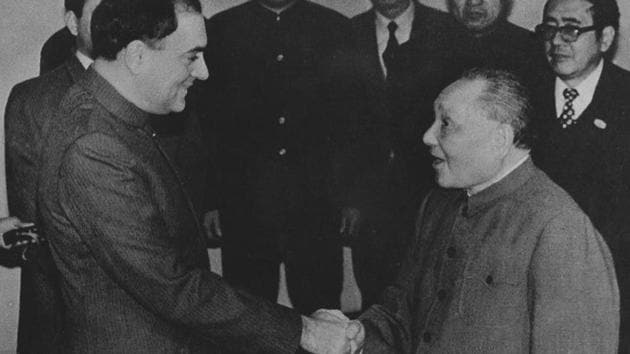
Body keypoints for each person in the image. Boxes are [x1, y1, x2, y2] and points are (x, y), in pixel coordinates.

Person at [37, 0, 358, 351]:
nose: (203, 72)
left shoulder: (119, 120)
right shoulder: (95, 147)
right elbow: (171, 285)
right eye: (191, 57)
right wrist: (305, 331)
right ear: (137, 56)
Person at [319, 68, 620, 353]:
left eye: (446, 124)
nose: (427, 136)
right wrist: (360, 335)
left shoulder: (559, 227)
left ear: (500, 139)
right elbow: (402, 316)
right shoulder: (437, 205)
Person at [198, 0, 354, 314]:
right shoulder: (220, 29)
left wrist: (351, 196)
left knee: (322, 307)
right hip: (244, 203)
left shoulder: (335, 28)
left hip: (316, 203)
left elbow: (353, 122)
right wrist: (209, 200)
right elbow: (207, 124)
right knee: (249, 311)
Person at [339, 0, 453, 309]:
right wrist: (351, 197)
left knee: (431, 296)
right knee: (376, 298)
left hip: (432, 191)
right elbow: (337, 124)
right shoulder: (345, 33)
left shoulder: (446, 29)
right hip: (368, 202)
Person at [530, 0, 630, 351]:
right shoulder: (522, 98)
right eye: (549, 28)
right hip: (533, 288)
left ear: (605, 38)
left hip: (615, 291)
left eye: (571, 29)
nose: (557, 41)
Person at [4, 0, 101, 351]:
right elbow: (31, 221)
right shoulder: (34, 98)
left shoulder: (157, 87)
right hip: (64, 298)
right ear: (73, 24)